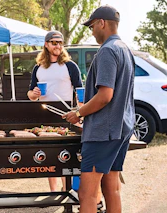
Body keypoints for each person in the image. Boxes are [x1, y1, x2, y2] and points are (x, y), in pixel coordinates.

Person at [63, 5, 135, 213]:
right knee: (111, 187)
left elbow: (105, 96)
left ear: (102, 23)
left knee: (87, 194)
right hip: (121, 128)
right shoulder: (124, 48)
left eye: (92, 26)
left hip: (103, 131)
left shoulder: (107, 51)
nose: (91, 31)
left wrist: (78, 113)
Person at [27, 31, 83, 192]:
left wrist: (81, 111)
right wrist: (34, 94)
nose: (58, 45)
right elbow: (30, 94)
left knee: (68, 155)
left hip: (67, 114)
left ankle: (68, 191)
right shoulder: (38, 68)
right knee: (49, 155)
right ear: (46, 44)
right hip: (45, 114)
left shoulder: (70, 66)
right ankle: (54, 192)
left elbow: (79, 90)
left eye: (60, 42)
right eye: (54, 42)